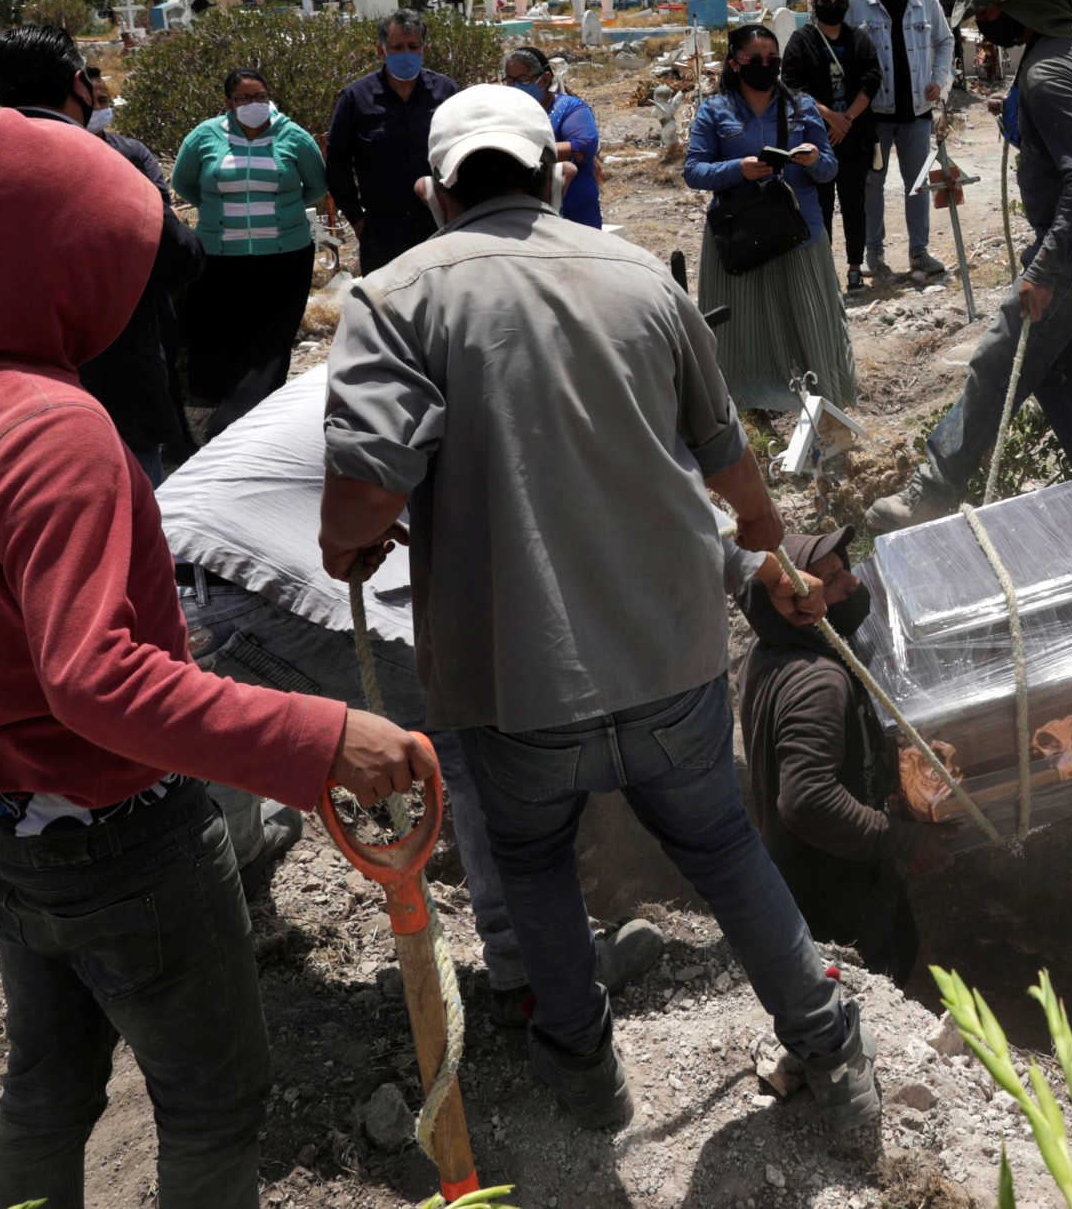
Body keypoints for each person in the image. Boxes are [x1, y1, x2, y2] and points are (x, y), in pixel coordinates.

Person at [0, 106, 430, 1209]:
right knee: (213, 1106)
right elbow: (94, 678)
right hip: (127, 839)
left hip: (7, 835)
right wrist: (318, 738)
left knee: (46, 1092)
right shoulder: (50, 426)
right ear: (70, 264)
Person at [319, 85, 883, 1141]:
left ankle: (584, 1076)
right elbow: (737, 478)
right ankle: (827, 1043)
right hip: (667, 658)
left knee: (532, 866)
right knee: (722, 850)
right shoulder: (640, 278)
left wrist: (348, 539)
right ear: (556, 174)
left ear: (434, 194)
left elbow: (358, 505)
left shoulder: (393, 298)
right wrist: (769, 559)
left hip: (512, 679)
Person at [162, 365, 666, 1023]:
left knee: (224, 697)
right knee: (473, 726)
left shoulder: (392, 366)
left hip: (162, 585)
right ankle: (535, 969)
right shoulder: (477, 415)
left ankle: (237, 859)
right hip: (245, 595)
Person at [867, 0, 1072, 531]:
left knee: (1000, 362)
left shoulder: (1049, 72)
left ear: (1015, 3)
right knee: (1064, 377)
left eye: (987, 16)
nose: (984, 30)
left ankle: (928, 493)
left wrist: (1043, 271)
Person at [0, 24, 202, 487]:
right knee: (132, 534)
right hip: (111, 390)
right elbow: (183, 259)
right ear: (77, 84)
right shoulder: (105, 157)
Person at [738, 527, 946, 984]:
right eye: (829, 581)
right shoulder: (819, 683)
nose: (852, 585)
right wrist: (903, 839)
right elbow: (807, 800)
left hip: (805, 884)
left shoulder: (768, 653)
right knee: (880, 979)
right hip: (840, 903)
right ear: (791, 606)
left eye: (843, 571)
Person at [685, 24, 858, 412]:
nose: (766, 65)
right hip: (741, 234)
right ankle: (746, 408)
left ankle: (824, 407)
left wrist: (814, 159)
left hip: (799, 232)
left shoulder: (802, 106)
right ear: (734, 62)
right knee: (743, 328)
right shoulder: (715, 110)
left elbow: (830, 169)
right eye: (755, 59)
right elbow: (694, 171)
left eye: (773, 59)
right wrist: (737, 169)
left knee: (812, 321)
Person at [172, 69, 332, 438]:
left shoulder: (293, 136)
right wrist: (220, 210)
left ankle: (245, 426)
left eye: (260, 96)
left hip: (284, 259)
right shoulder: (204, 136)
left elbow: (316, 186)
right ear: (228, 103)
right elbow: (183, 182)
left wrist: (279, 208)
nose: (254, 105)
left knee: (272, 342)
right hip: (220, 259)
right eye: (244, 99)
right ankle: (230, 417)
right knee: (227, 336)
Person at [848, 0, 955, 284]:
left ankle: (918, 252)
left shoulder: (926, 0)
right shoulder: (857, 3)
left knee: (918, 183)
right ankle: (874, 254)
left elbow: (944, 41)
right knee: (872, 184)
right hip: (874, 115)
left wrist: (939, 79)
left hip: (917, 113)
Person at [326, 10, 459, 274]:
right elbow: (337, 163)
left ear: (424, 48)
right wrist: (358, 220)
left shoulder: (446, 92)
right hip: (382, 230)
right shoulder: (356, 98)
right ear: (381, 50)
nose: (406, 54)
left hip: (441, 224)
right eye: (397, 47)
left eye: (413, 46)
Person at [781, 0, 884, 294]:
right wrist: (829, 117)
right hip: (816, 136)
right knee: (820, 204)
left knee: (855, 203)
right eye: (824, 0)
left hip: (854, 135)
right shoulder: (802, 40)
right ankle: (823, 269)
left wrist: (847, 119)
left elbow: (872, 78)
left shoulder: (858, 39)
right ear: (814, 3)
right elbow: (792, 85)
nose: (831, 5)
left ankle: (855, 267)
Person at [502, 46, 603, 228]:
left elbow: (583, 145)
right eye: (510, 80)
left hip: (575, 211)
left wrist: (521, 153)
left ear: (545, 79)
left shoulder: (569, 108)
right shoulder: (507, 113)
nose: (515, 86)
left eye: (523, 79)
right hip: (525, 215)